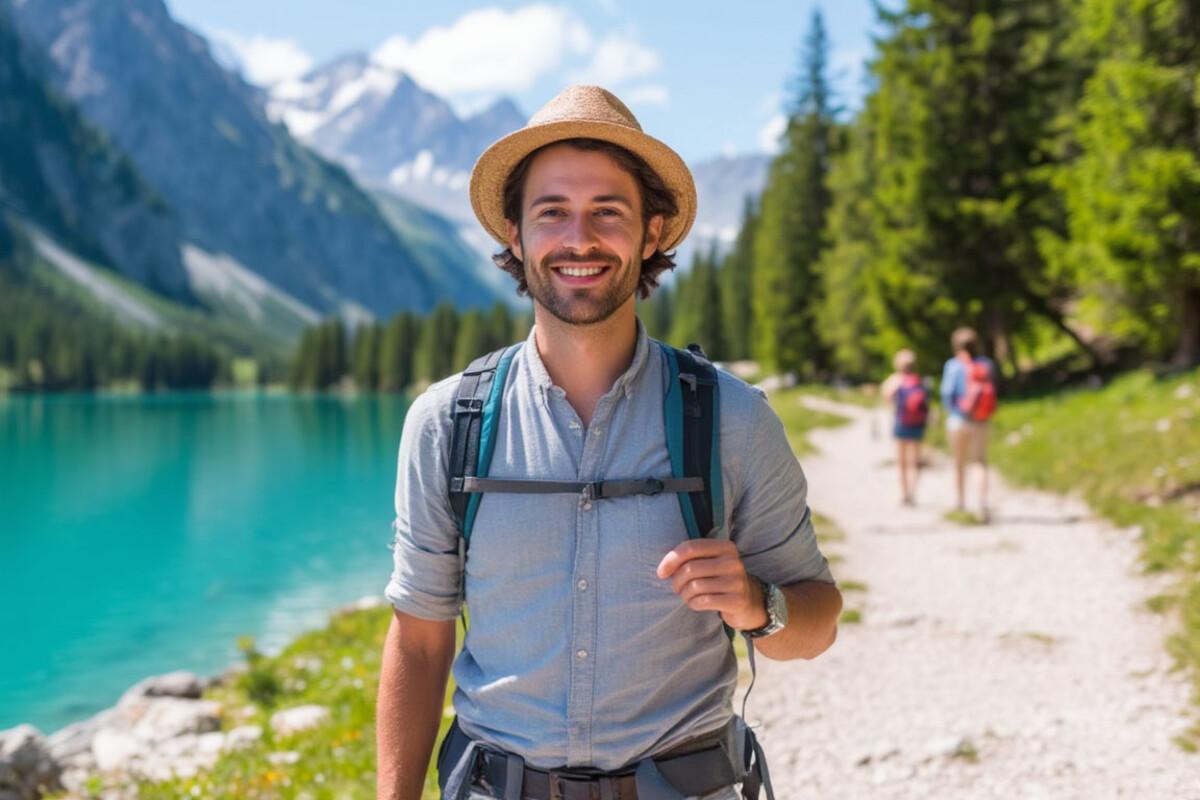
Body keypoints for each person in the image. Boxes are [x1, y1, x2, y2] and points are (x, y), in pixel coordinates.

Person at [375, 85, 842, 800]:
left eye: (608, 212)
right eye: (552, 212)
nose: (579, 239)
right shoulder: (446, 422)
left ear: (652, 233)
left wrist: (755, 603)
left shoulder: (733, 418)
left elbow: (816, 623)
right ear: (515, 233)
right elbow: (419, 639)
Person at [940, 327, 997, 521]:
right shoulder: (986, 364)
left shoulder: (952, 366)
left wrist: (956, 411)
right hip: (981, 420)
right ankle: (982, 503)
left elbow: (947, 395)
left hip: (958, 420)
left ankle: (960, 502)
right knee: (980, 461)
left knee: (958, 462)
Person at [880, 349, 927, 506]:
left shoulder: (895, 379)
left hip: (901, 421)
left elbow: (886, 396)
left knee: (902, 461)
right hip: (917, 424)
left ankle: (904, 493)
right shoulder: (919, 380)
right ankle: (913, 491)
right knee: (915, 460)